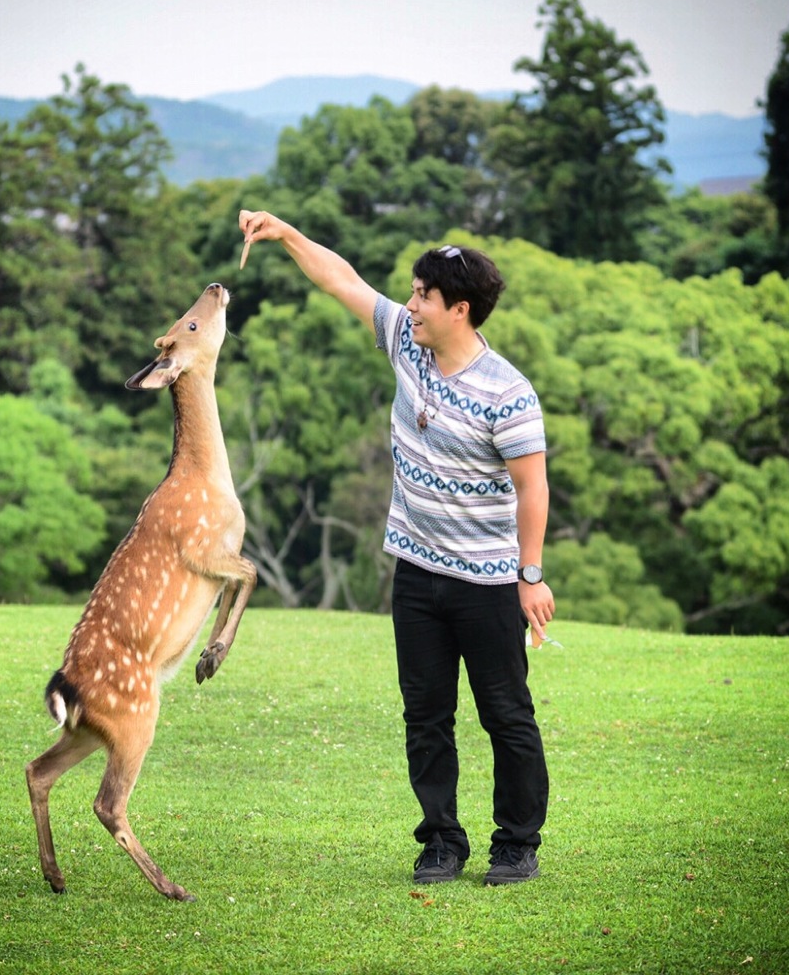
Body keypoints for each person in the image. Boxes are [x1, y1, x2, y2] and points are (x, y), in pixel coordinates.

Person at [237, 210, 555, 886]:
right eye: (411, 293)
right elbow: (341, 280)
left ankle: (516, 843)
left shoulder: (509, 393)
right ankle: (441, 839)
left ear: (459, 310)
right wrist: (287, 233)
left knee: (506, 714)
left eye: (422, 296)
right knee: (426, 715)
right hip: (416, 577)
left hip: (489, 584)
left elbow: (533, 489)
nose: (408, 305)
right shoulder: (407, 344)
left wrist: (531, 576)